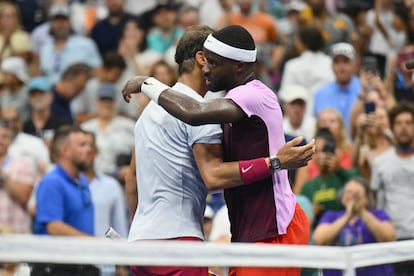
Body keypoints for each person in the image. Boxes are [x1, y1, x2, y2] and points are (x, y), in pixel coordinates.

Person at [122, 24, 314, 276]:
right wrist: (275, 161)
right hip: (205, 239)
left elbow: (131, 181)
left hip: (272, 229)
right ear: (200, 56)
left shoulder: (250, 96)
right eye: (207, 61)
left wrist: (147, 83)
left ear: (236, 66)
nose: (207, 69)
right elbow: (212, 171)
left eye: (214, 63)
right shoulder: (215, 108)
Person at [32, 125, 99, 276]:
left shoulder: (82, 181)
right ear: (65, 151)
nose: (89, 150)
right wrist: (94, 242)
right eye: (82, 145)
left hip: (82, 264)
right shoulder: (52, 182)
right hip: (57, 267)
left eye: (89, 144)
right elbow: (53, 226)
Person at [313, 177, 395, 276]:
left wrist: (362, 212)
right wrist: (348, 216)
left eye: (357, 194)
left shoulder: (378, 214)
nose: (352, 197)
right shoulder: (331, 216)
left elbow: (389, 237)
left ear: (367, 198)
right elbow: (319, 239)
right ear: (342, 196)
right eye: (349, 192)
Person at [371, 102, 414, 275]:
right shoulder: (380, 163)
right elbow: (376, 203)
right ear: (392, 127)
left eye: (409, 123)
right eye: (399, 123)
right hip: (391, 240)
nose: (404, 128)